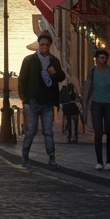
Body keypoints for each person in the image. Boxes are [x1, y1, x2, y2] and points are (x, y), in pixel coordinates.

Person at [18, 32, 65, 169]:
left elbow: (61, 77)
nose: (44, 46)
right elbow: (22, 79)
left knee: (48, 132)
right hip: (33, 102)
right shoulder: (29, 60)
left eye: (47, 45)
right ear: (39, 45)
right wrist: (24, 98)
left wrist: (54, 73)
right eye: (42, 44)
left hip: (48, 103)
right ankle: (25, 156)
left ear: (50, 46)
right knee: (31, 131)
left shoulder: (54, 61)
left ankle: (52, 158)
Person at [81, 48, 110, 171]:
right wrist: (85, 103)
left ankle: (109, 161)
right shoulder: (92, 71)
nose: (102, 60)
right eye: (100, 57)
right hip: (96, 104)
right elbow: (88, 87)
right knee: (98, 133)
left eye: (104, 57)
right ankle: (99, 161)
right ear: (96, 59)